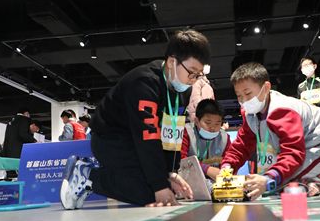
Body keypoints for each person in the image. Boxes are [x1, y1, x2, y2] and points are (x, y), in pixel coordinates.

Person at [60, 29, 211, 209]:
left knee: (163, 187)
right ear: (172, 62)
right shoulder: (144, 83)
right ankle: (87, 174)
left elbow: (173, 135)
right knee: (150, 194)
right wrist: (159, 185)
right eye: (191, 72)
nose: (194, 80)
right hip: (110, 138)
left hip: (135, 140)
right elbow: (147, 137)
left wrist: (170, 173)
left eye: (199, 74)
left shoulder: (183, 91)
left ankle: (97, 175)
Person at [221, 62, 320, 198]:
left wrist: (268, 179)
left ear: (266, 88)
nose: (244, 100)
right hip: (305, 150)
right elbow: (242, 144)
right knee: (277, 182)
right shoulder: (250, 113)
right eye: (239, 95)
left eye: (248, 93)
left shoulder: (282, 110)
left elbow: (293, 153)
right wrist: (227, 166)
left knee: (275, 183)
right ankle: (312, 178)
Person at [181, 98, 231, 180]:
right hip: (189, 181)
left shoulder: (225, 138)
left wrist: (226, 167)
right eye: (208, 123)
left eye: (217, 124)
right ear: (197, 121)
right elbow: (181, 160)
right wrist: (206, 169)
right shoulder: (186, 132)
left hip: (215, 182)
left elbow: (229, 159)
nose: (212, 128)